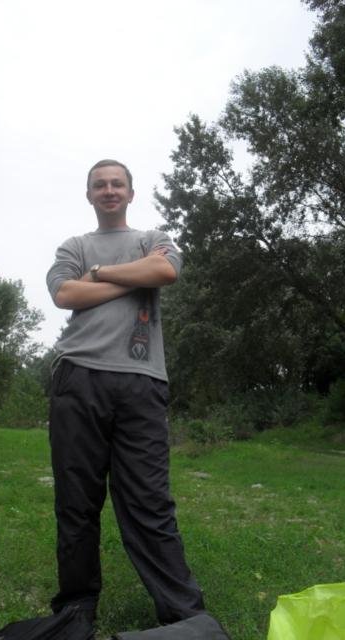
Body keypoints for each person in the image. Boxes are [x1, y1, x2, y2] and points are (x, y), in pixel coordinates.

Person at [46, 159, 205, 633]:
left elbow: (165, 270)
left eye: (118, 184)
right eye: (100, 185)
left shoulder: (153, 238)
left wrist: (99, 275)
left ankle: (183, 615)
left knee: (149, 502)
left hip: (142, 381)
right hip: (78, 376)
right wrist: (131, 278)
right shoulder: (74, 246)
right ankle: (76, 610)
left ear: (131, 193)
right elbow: (64, 295)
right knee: (76, 502)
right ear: (89, 195)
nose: (109, 190)